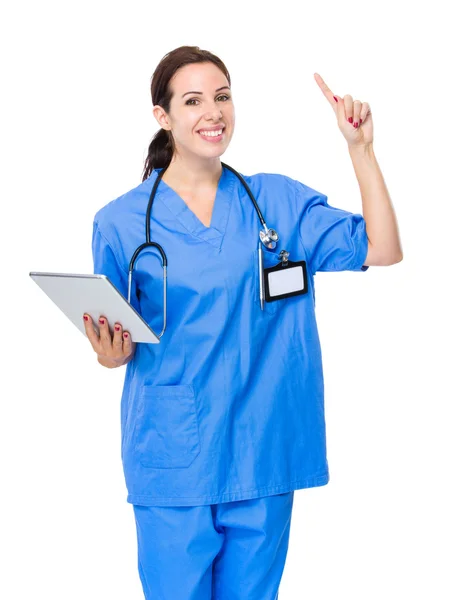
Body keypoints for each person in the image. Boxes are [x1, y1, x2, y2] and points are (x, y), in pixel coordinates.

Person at [83, 46, 402, 600]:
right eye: (194, 100)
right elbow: (117, 341)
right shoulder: (120, 222)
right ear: (163, 116)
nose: (213, 112)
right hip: (174, 456)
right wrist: (109, 354)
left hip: (262, 450)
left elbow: (383, 248)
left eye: (223, 96)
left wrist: (362, 149)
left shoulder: (276, 202)